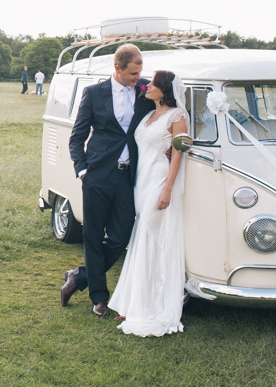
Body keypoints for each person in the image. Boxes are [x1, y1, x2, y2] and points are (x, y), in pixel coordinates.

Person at [60, 44, 156, 317]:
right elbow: (77, 137)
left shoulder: (146, 90)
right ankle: (99, 298)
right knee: (92, 235)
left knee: (120, 236)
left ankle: (78, 277)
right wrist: (82, 170)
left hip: (129, 175)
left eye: (140, 72)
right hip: (97, 174)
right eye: (133, 73)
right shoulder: (93, 93)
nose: (138, 78)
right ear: (117, 68)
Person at [108, 70, 189, 337]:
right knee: (142, 235)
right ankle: (134, 301)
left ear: (164, 90)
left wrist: (168, 189)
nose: (147, 87)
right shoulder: (149, 114)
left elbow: (178, 155)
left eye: (153, 84)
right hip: (141, 182)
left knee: (153, 238)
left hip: (159, 182)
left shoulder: (178, 117)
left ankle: (151, 305)